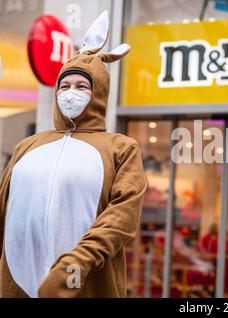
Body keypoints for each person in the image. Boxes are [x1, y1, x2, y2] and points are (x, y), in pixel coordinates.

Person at [0, 12, 147, 298]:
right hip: (14, 286)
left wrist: (73, 269)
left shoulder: (120, 148)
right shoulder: (27, 147)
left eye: (82, 86)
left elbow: (121, 220)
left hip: (83, 286)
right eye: (64, 86)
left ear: (99, 93)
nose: (70, 93)